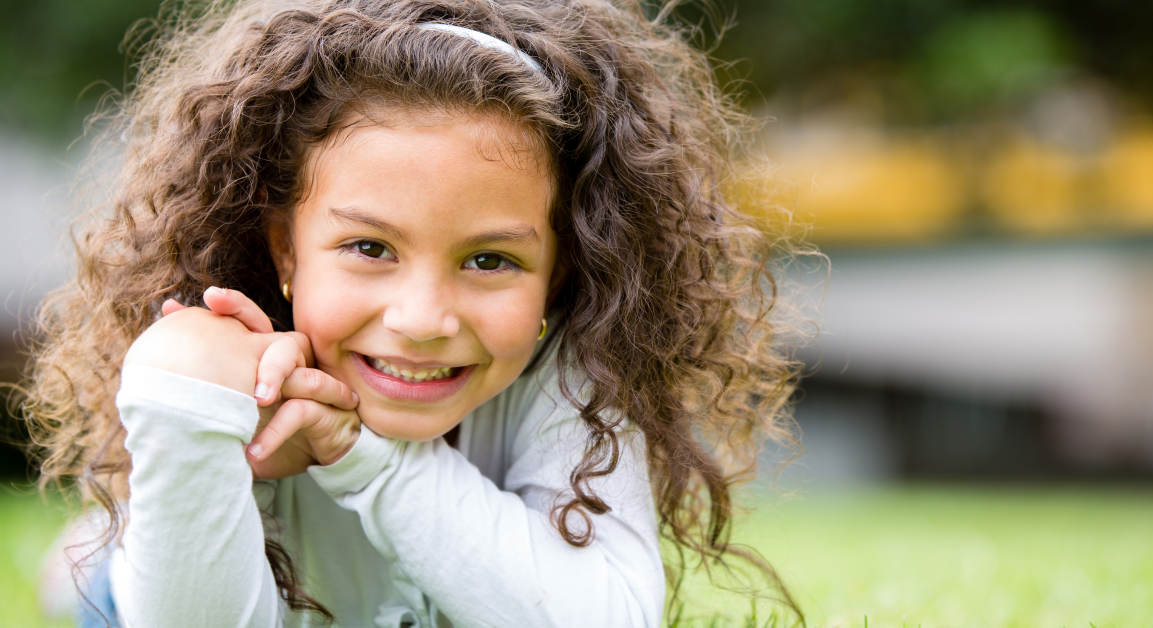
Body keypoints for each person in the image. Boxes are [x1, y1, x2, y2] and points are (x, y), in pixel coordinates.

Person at [21, 0, 802, 626]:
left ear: (559, 273)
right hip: (144, 602)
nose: (424, 318)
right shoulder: (243, 382)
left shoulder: (574, 370)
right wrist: (183, 401)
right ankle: (86, 555)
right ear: (285, 249)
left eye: (491, 261)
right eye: (369, 248)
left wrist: (365, 455)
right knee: (101, 580)